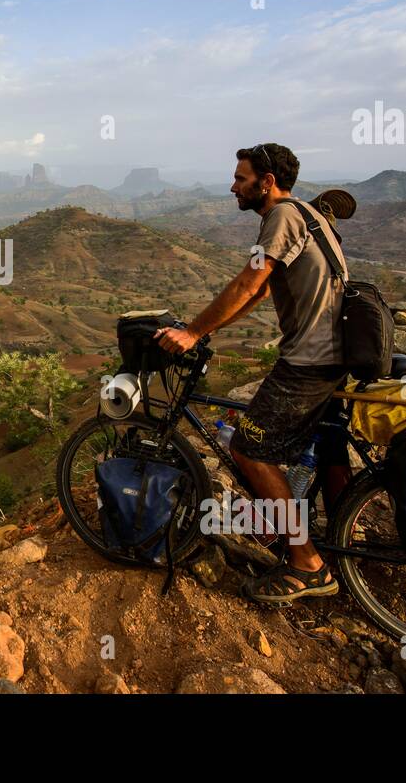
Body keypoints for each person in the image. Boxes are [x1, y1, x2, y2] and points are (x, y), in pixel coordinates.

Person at [153, 143, 348, 603]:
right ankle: (339, 537)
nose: (232, 185)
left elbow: (247, 282)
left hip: (311, 360)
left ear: (266, 181)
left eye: (240, 178)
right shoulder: (304, 213)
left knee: (248, 449)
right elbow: (259, 295)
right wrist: (209, 329)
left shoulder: (281, 216)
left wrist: (193, 332)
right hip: (334, 353)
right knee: (322, 440)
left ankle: (308, 565)